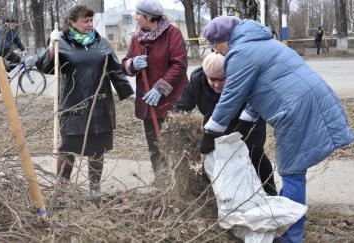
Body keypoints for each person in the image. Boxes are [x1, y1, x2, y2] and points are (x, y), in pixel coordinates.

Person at [201, 16, 354, 242]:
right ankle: (285, 220)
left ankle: (291, 236)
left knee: (292, 171)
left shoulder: (240, 53)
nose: (218, 52)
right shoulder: (260, 43)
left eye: (216, 47)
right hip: (310, 100)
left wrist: (211, 131)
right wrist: (245, 121)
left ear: (224, 40)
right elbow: (258, 86)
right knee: (294, 169)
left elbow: (232, 96)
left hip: (295, 110)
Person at [36, 5, 134, 199]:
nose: (90, 24)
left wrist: (128, 93)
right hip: (73, 105)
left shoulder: (102, 43)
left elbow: (114, 70)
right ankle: (61, 189)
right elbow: (45, 67)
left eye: (91, 20)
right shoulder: (61, 43)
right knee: (68, 148)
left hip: (100, 106)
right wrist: (51, 48)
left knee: (97, 150)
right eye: (85, 21)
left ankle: (94, 188)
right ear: (72, 22)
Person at [176, 52, 277, 196]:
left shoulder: (243, 79)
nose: (217, 84)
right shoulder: (197, 81)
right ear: (206, 75)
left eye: (222, 79)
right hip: (215, 125)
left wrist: (238, 134)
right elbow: (183, 105)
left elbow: (254, 105)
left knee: (254, 154)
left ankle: (269, 190)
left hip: (247, 122)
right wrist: (179, 119)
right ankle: (214, 196)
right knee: (212, 159)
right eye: (213, 79)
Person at [121, 0, 188, 176]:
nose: (135, 18)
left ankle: (181, 183)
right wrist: (132, 64)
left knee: (177, 146)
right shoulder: (137, 38)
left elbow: (179, 65)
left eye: (138, 15)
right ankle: (162, 182)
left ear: (149, 17)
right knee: (155, 146)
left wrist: (160, 88)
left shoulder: (172, 34)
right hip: (149, 103)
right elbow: (125, 63)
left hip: (172, 101)